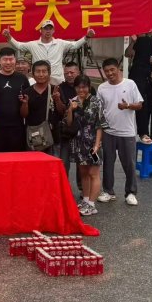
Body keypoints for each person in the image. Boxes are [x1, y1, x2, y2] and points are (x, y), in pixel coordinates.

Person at [96, 57, 144, 206]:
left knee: (129, 164)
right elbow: (99, 109)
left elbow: (140, 105)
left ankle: (131, 192)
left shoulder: (130, 84)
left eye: (112, 70)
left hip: (127, 132)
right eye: (106, 71)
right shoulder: (102, 88)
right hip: (108, 132)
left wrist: (128, 105)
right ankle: (108, 191)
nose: (110, 73)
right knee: (108, 163)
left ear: (118, 69)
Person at [3, 20, 95, 85]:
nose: (48, 31)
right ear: (41, 30)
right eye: (45, 28)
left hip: (57, 80)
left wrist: (87, 37)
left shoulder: (60, 43)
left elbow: (75, 45)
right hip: (39, 79)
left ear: (53, 30)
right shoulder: (33, 44)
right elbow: (19, 46)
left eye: (50, 28)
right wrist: (9, 37)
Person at [65, 75, 105, 216]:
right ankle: (85, 200)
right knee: (83, 173)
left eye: (84, 87)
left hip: (93, 144)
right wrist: (71, 110)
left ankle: (92, 205)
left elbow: (100, 125)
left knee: (94, 173)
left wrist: (97, 145)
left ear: (89, 87)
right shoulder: (73, 100)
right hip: (79, 144)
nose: (81, 90)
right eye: (78, 87)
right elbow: (69, 123)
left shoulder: (96, 102)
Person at [126, 19, 152, 143]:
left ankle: (145, 132)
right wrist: (133, 42)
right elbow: (128, 54)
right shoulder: (142, 40)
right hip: (137, 74)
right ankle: (142, 132)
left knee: (149, 105)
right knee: (141, 103)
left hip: (150, 75)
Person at [0, 47, 29, 152]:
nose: (8, 62)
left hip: (17, 126)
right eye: (5, 59)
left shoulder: (22, 78)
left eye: (11, 59)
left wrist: (25, 102)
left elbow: (26, 102)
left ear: (15, 60)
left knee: (16, 157)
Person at [23, 60, 64, 153]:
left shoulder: (55, 89)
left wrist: (57, 99)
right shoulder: (27, 92)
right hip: (33, 135)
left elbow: (62, 111)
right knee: (34, 161)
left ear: (49, 73)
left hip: (52, 136)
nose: (41, 74)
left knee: (52, 161)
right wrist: (25, 103)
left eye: (44, 71)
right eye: (38, 71)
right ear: (33, 74)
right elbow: (24, 115)